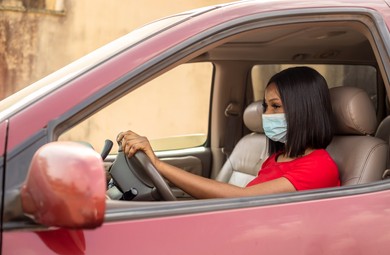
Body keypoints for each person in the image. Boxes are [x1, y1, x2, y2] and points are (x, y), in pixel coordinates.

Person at [117, 66, 340, 199]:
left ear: (303, 110)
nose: (266, 114)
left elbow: (243, 199)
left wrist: (158, 164)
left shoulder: (319, 167)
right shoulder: (277, 158)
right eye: (265, 106)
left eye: (275, 106)